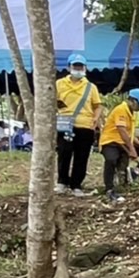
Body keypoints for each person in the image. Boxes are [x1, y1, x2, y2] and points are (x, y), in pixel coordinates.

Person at [55, 53, 101, 196]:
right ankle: (62, 182)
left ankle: (76, 184)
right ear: (69, 67)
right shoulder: (59, 84)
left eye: (81, 66)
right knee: (64, 153)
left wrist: (95, 119)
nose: (78, 69)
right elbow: (51, 101)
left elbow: (97, 105)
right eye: (75, 66)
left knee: (81, 156)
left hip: (85, 125)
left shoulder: (91, 87)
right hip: (65, 124)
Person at [97, 89, 139, 204]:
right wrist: (132, 149)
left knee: (123, 165)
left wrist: (137, 143)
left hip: (123, 143)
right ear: (132, 101)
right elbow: (122, 130)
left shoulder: (132, 113)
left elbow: (129, 132)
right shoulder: (121, 109)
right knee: (111, 160)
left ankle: (122, 185)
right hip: (111, 141)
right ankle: (109, 188)